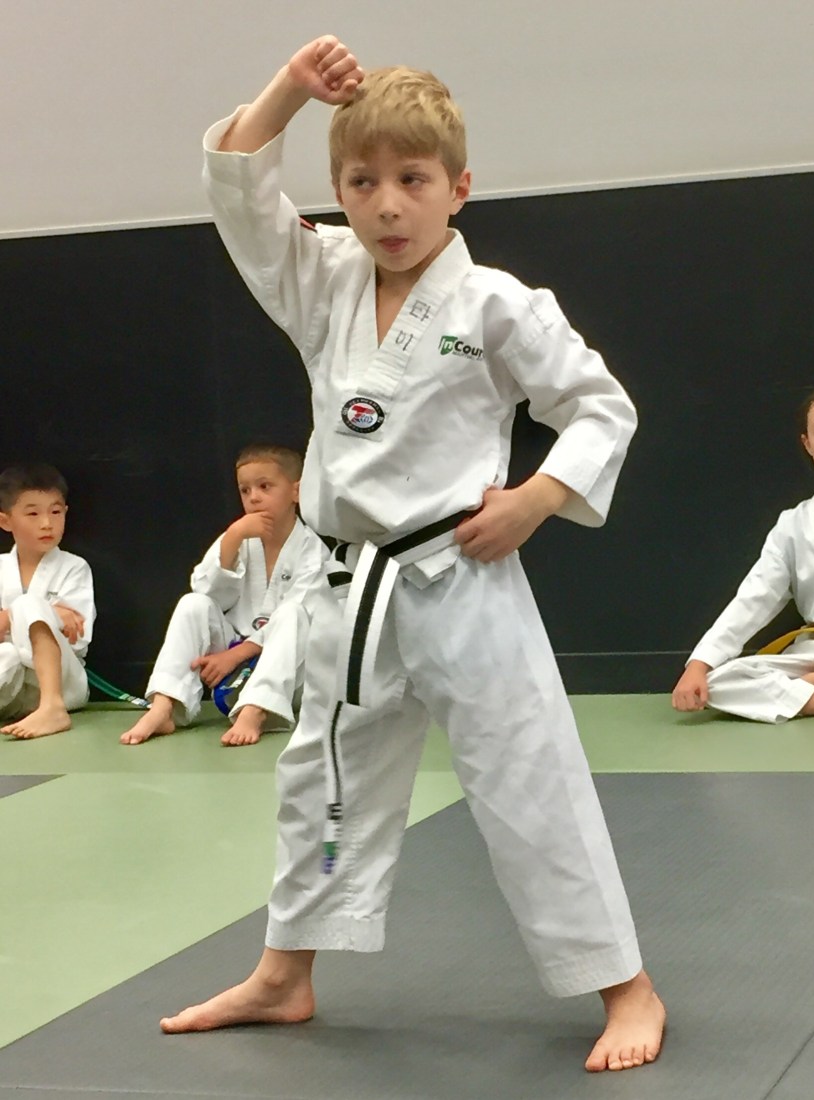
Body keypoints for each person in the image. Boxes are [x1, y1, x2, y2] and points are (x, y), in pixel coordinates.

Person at [160, 37, 666, 1072]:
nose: (386, 205)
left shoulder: (498, 304)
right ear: (340, 190)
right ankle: (286, 973)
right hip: (346, 586)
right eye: (362, 182)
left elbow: (600, 407)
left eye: (412, 180)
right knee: (320, 778)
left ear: (457, 188)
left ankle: (628, 986)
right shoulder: (323, 279)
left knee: (528, 778)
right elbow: (240, 191)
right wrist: (291, 90)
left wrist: (536, 499)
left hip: (459, 579)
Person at [120, 443, 328, 746]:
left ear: (296, 491)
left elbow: (303, 618)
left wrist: (233, 656)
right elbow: (208, 593)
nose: (254, 497)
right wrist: (233, 537)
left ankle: (256, 710)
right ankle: (164, 705)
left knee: (293, 613)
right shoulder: (237, 538)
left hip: (287, 678)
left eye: (265, 486)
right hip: (232, 672)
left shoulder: (313, 552)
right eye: (245, 490)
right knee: (193, 604)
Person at [673, 384, 814, 723]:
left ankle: (805, 690)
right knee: (721, 681)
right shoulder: (793, 525)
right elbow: (755, 598)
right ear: (808, 444)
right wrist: (700, 663)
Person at [0, 463, 95, 739]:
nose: (46, 523)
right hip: (12, 687)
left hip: (64, 683)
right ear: (6, 521)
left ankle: (52, 707)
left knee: (28, 603)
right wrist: (52, 615)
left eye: (55, 512)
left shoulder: (74, 568)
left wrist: (24, 613)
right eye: (33, 513)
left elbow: (77, 637)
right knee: (7, 655)